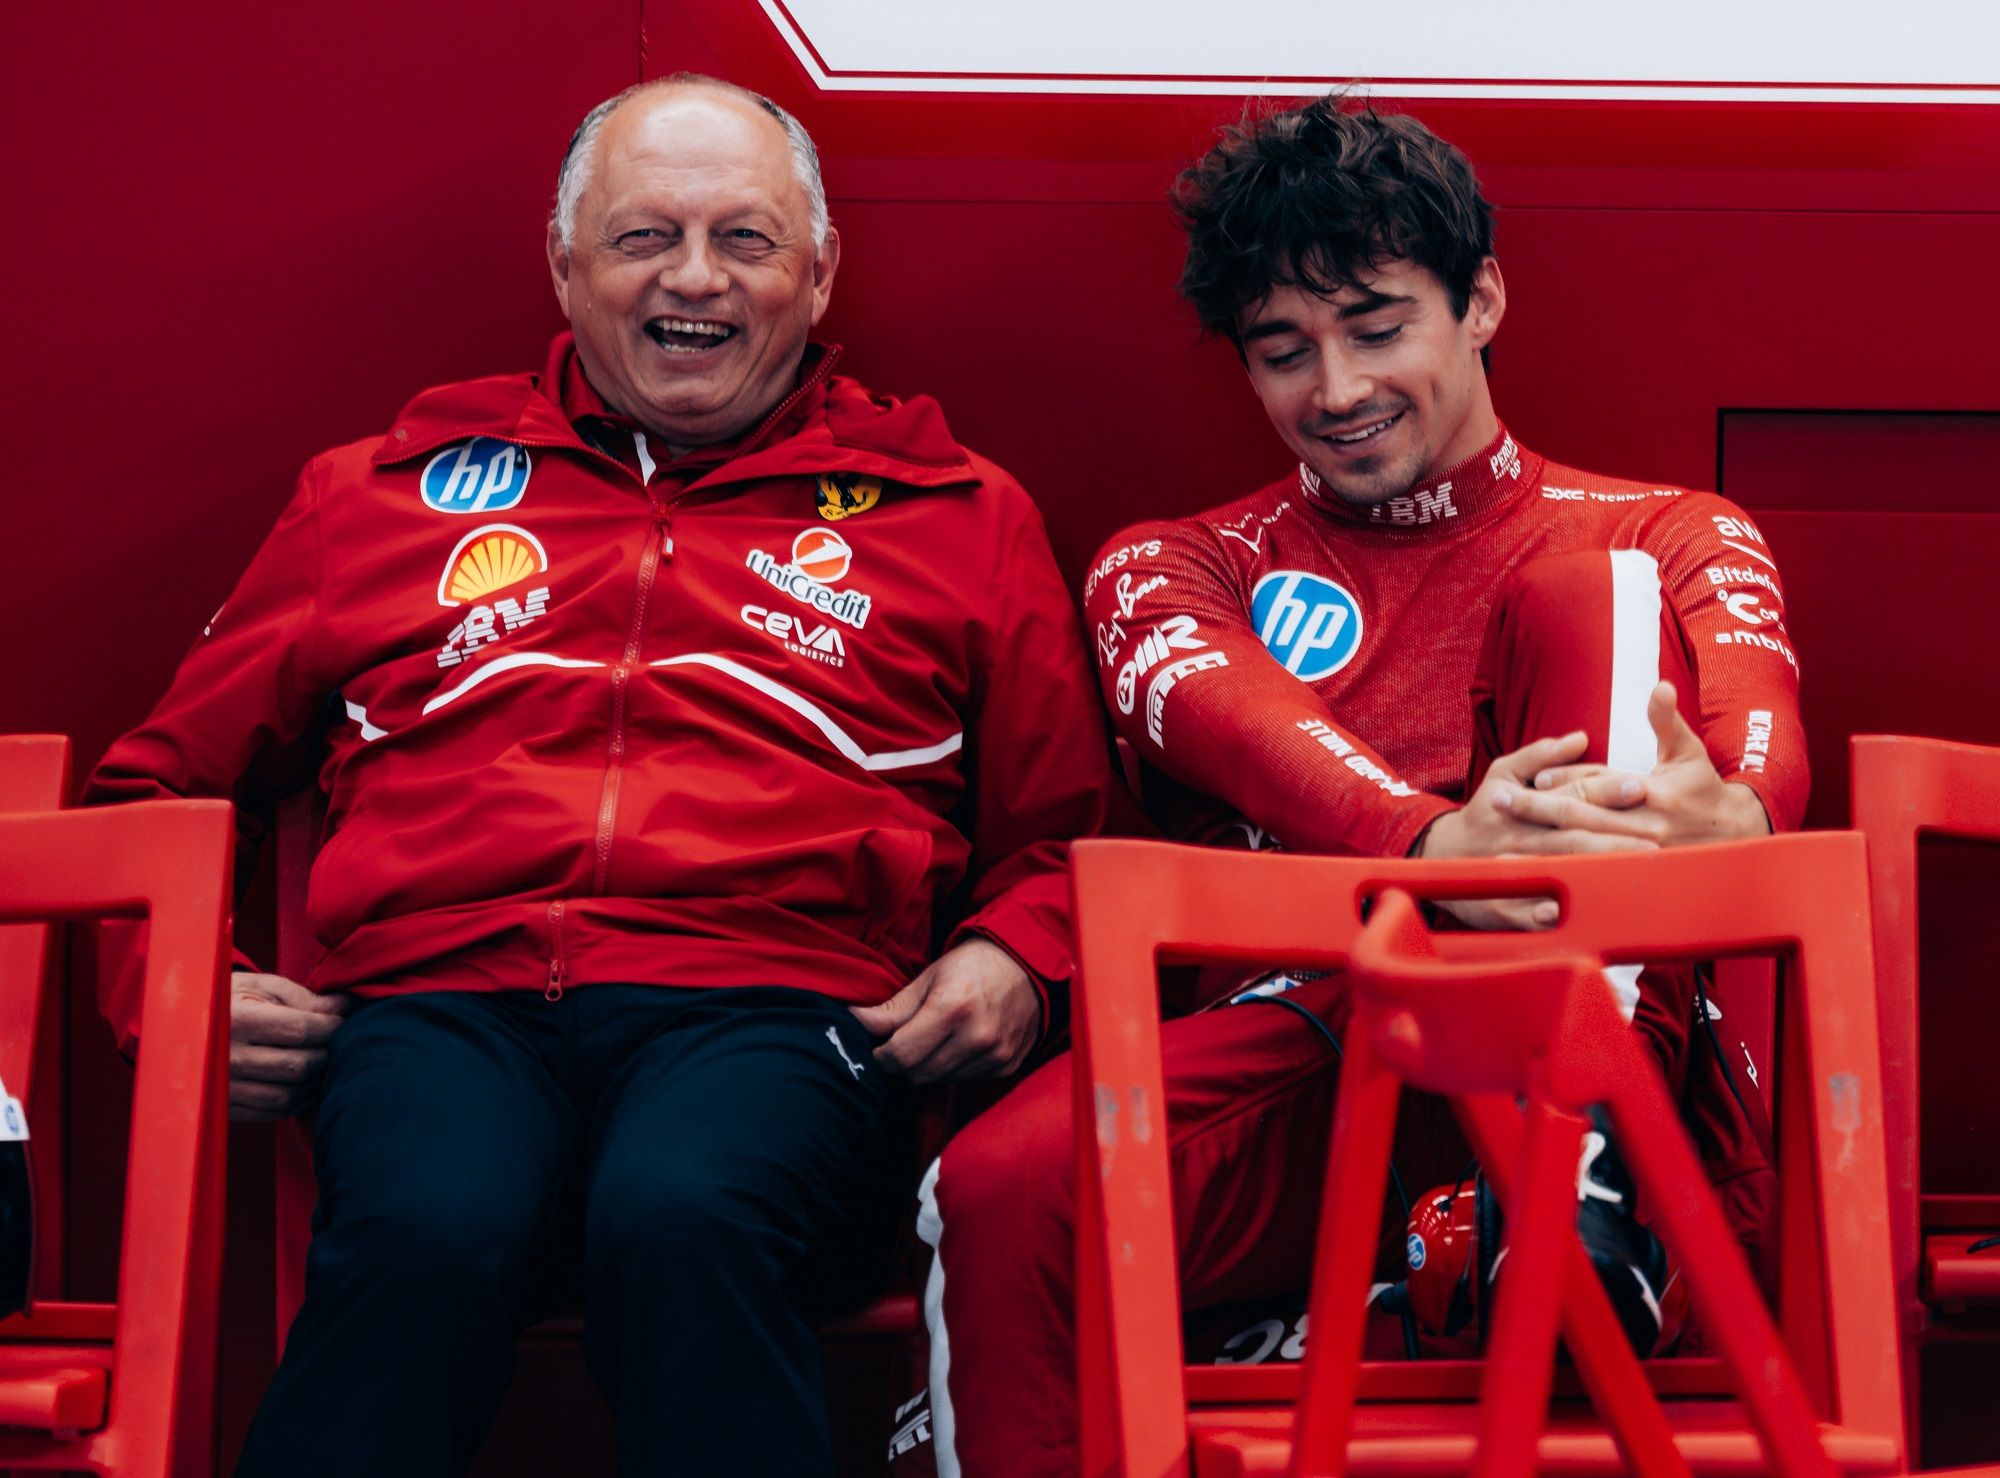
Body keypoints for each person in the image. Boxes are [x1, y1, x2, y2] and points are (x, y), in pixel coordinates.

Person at [83, 74, 1112, 1477]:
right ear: (565, 270)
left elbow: (1061, 842)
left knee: (687, 1211)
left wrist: (1018, 959)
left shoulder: (961, 512)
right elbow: (149, 795)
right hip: (445, 1013)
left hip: (776, 1019)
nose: (695, 277)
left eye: (744, 239)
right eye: (644, 237)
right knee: (428, 1226)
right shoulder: (376, 492)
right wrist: (176, 989)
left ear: (818, 274)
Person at [910, 99, 1805, 1477]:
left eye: (1378, 328)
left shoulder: (1670, 531)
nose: (1335, 389)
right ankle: (1518, 1233)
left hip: (1622, 1060)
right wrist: (1439, 849)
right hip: (1320, 1046)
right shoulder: (1178, 565)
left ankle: (1577, 1181)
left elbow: (1759, 744)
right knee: (998, 1180)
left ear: (1480, 300)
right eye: (1285, 352)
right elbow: (1237, 727)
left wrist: (1733, 816)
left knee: (1596, 598)